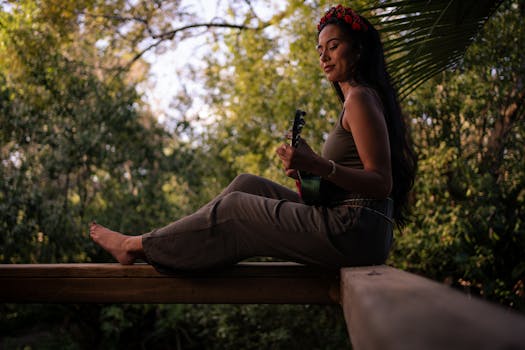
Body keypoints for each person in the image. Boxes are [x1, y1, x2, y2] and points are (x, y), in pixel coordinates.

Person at [90, 5, 417, 272]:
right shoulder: (356, 99)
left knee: (236, 208)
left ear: (358, 50)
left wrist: (319, 163)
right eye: (320, 49)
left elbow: (380, 183)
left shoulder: (359, 98)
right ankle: (181, 247)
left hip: (354, 231)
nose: (324, 57)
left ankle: (136, 245)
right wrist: (309, 170)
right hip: (354, 227)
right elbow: (347, 179)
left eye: (334, 46)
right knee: (247, 184)